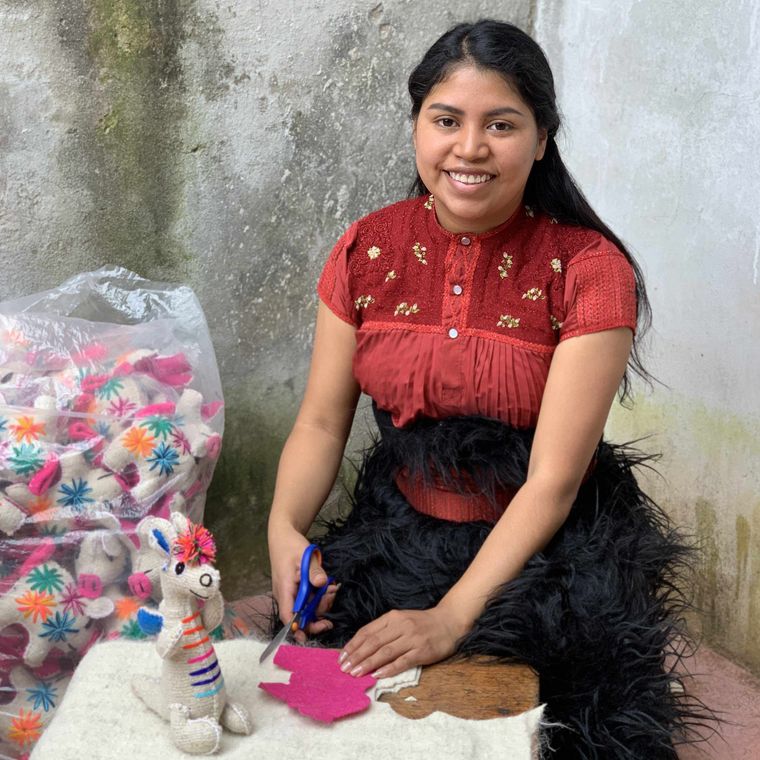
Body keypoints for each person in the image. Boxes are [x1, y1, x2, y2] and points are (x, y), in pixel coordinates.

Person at [266, 19, 708, 758]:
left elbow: (552, 483)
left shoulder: (589, 271)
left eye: (500, 125)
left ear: (541, 139)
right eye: (446, 121)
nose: (469, 148)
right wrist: (284, 529)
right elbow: (319, 423)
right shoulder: (366, 250)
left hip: (550, 555)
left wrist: (449, 618)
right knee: (322, 717)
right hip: (399, 531)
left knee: (564, 735)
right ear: (416, 126)